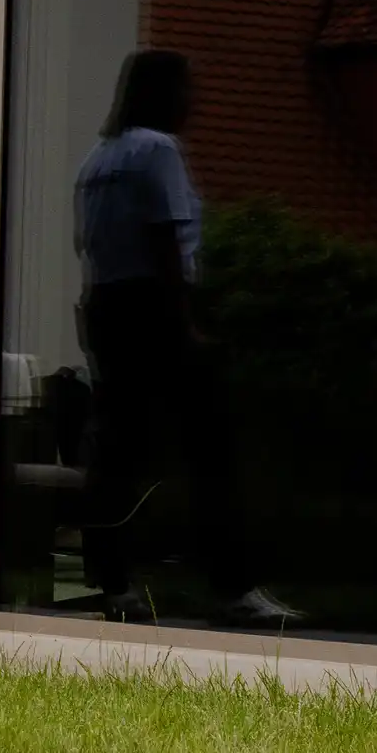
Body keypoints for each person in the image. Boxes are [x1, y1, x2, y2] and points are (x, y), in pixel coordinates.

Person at [70, 49, 280, 625]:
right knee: (212, 447)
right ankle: (231, 585)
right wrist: (184, 321)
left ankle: (111, 580)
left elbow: (89, 245)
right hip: (155, 308)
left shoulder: (98, 158)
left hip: (108, 306)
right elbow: (164, 236)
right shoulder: (158, 151)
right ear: (164, 94)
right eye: (187, 89)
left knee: (119, 450)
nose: (195, 101)